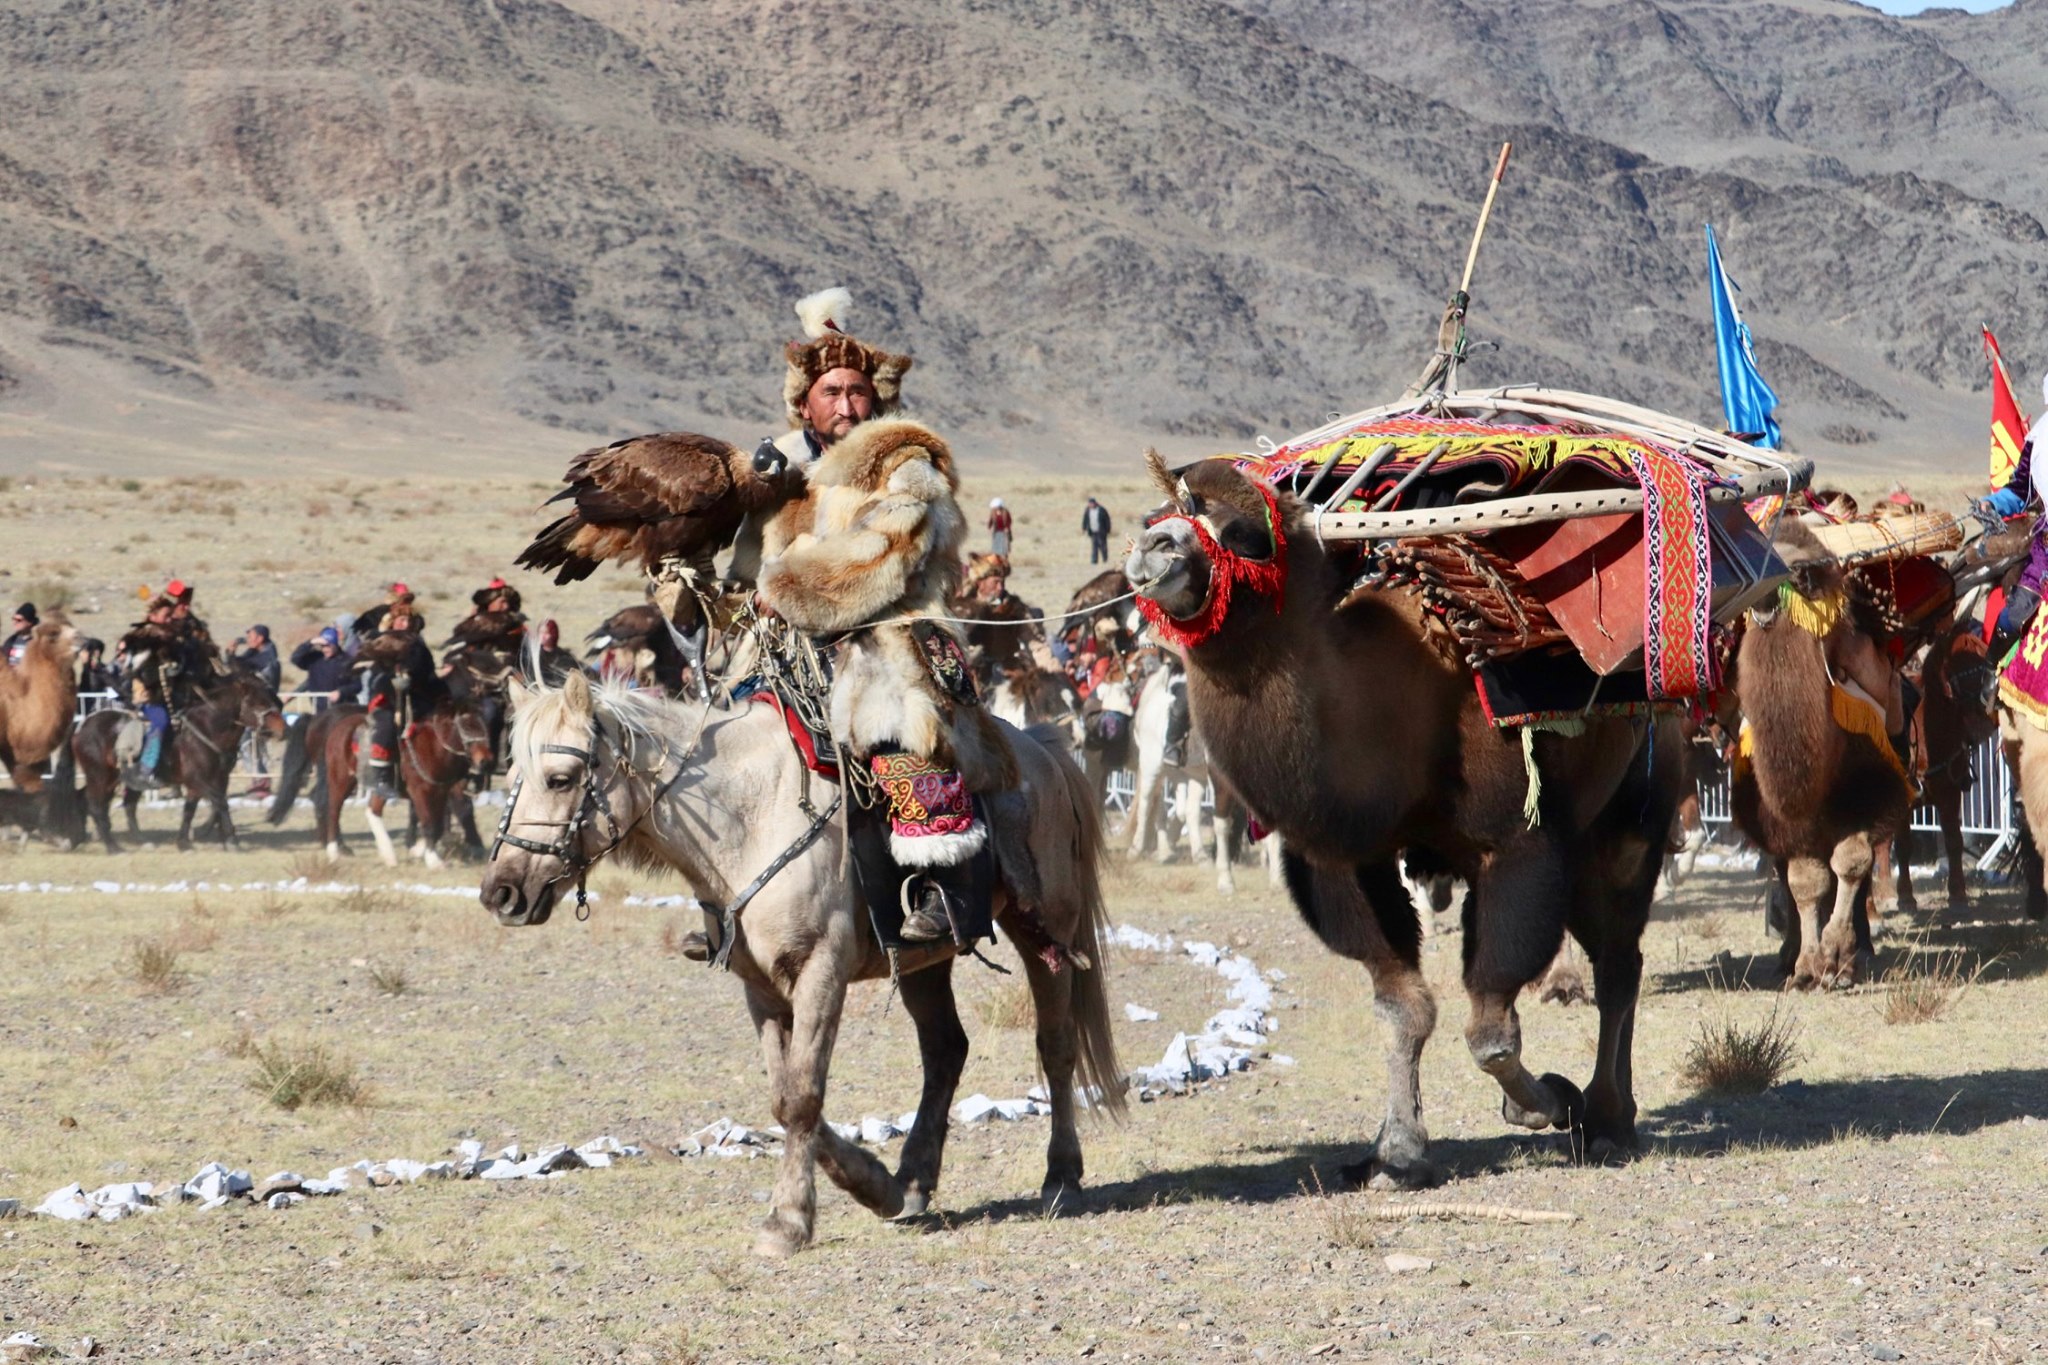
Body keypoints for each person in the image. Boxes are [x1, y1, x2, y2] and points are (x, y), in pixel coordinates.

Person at [757, 418, 1015, 946]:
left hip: (896, 627)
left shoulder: (904, 462)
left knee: (901, 727)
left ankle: (943, 884)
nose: (846, 404)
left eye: (856, 390)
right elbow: (759, 551)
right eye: (831, 392)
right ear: (805, 405)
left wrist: (783, 583)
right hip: (807, 631)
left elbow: (886, 558)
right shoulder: (796, 473)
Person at [1984, 373, 2048, 658]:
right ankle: (1990, 682)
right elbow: (2021, 489)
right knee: (2015, 614)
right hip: (2046, 555)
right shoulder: (2040, 439)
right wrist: (1993, 504)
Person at [118, 595, 181, 789]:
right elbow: (134, 668)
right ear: (153, 616)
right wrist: (160, 671)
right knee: (160, 721)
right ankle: (146, 767)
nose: (170, 619)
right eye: (166, 615)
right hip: (148, 696)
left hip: (172, 695)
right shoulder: (141, 638)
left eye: (171, 615)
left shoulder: (172, 637)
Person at [290, 627, 354, 712]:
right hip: (319, 710)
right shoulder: (315, 658)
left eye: (328, 646)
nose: (325, 649)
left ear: (336, 645)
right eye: (322, 646)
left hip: (341, 710)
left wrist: (341, 692)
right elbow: (295, 658)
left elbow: (357, 684)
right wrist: (310, 643)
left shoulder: (346, 660)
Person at [232, 625, 281, 692]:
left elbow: (241, 665)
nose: (247, 640)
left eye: (249, 637)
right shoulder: (257, 649)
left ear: (260, 639)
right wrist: (238, 642)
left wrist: (230, 654)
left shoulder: (267, 656)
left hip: (265, 697)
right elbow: (240, 660)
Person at [3, 603, 36, 667]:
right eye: (13, 619)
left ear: (29, 623)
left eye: (19, 620)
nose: (15, 622)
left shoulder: (35, 643)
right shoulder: (10, 641)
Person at [1082, 497, 1112, 565]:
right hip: (1092, 531)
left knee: (1102, 546)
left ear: (1095, 503)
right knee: (1094, 546)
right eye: (1090, 504)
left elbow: (1107, 520)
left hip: (1101, 531)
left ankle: (1105, 559)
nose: (1091, 505)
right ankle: (1094, 560)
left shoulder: (1101, 510)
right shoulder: (1087, 510)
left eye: (1092, 503)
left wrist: (1108, 529)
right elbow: (1085, 519)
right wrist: (1084, 528)